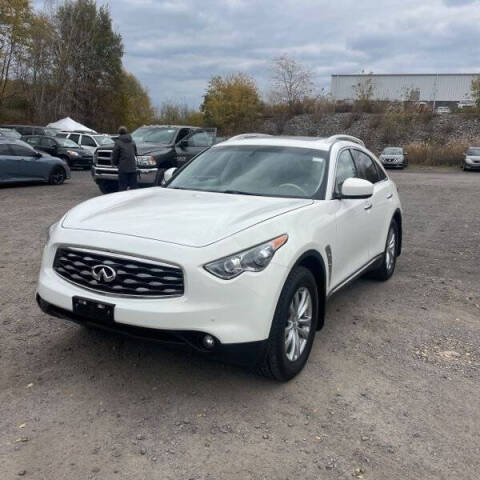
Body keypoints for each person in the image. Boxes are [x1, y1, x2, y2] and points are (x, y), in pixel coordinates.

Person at [112, 126, 138, 191]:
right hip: (133, 168)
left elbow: (115, 155)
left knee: (122, 187)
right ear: (126, 132)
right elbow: (135, 153)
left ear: (119, 133)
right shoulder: (132, 141)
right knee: (133, 187)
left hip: (123, 168)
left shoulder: (118, 142)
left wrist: (115, 163)